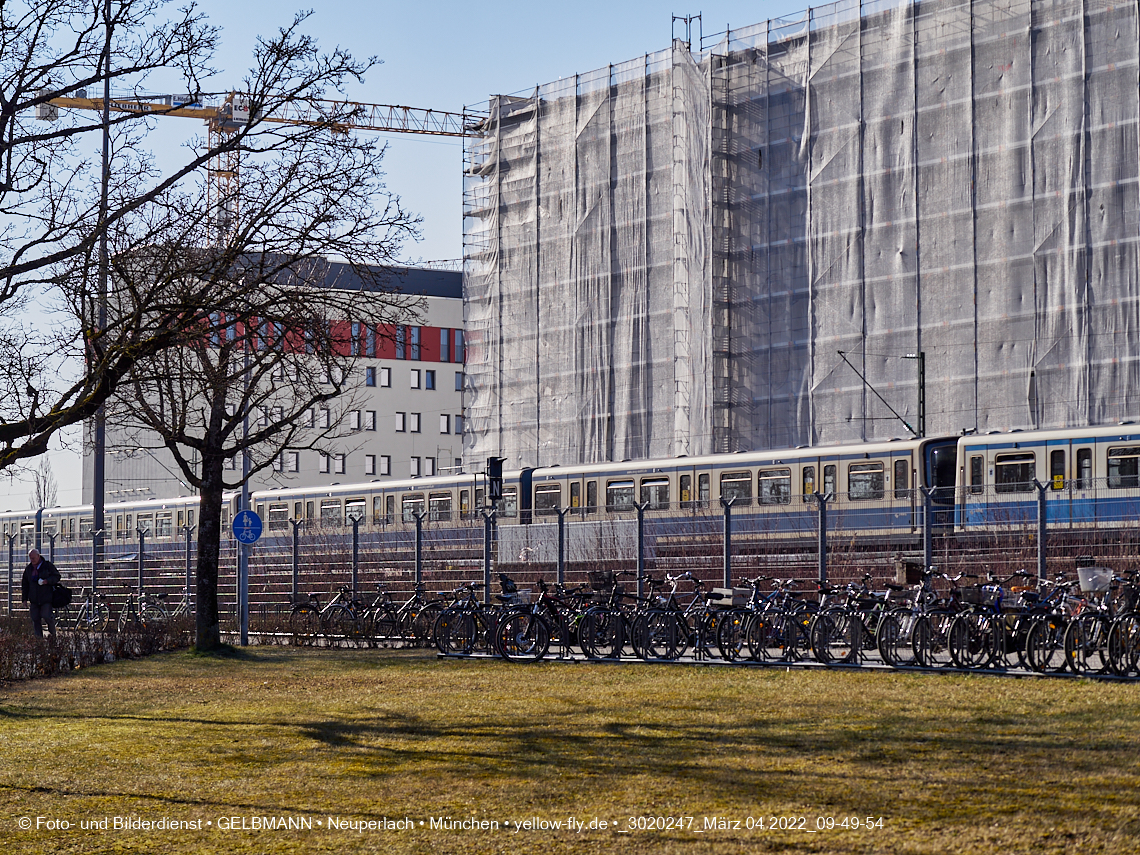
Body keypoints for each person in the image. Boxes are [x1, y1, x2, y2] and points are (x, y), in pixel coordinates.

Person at [21, 548, 62, 638]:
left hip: (46, 598)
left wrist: (47, 581)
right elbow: (25, 584)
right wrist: (24, 599)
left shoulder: (47, 566)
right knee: (35, 619)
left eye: (33, 558)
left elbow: (57, 576)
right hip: (34, 599)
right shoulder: (28, 569)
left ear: (38, 556)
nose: (32, 561)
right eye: (30, 558)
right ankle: (38, 640)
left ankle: (52, 634)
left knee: (47, 616)